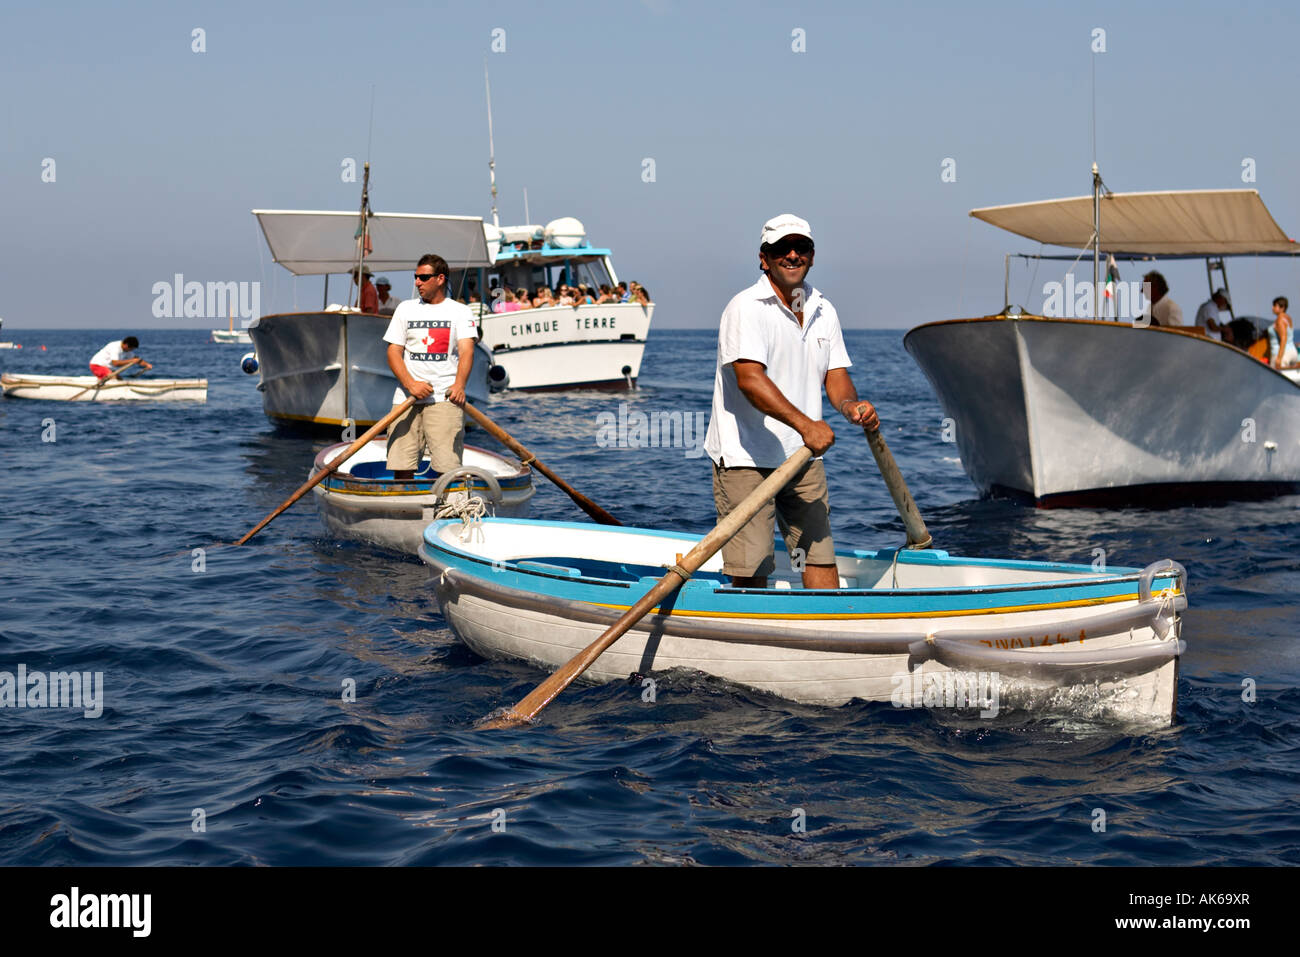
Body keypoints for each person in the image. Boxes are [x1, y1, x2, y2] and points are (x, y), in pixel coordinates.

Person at [703, 213, 878, 589]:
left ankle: (830, 632)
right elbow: (750, 381)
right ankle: (753, 639)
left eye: (802, 248)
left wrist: (850, 408)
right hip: (745, 458)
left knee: (818, 556)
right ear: (764, 258)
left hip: (802, 457)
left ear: (813, 256)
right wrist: (807, 426)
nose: (793, 255)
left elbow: (835, 375)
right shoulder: (745, 308)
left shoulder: (823, 309)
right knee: (751, 569)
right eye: (783, 249)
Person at [383, 254, 478, 481]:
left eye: (423, 277)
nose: (417, 282)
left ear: (440, 279)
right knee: (401, 463)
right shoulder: (405, 309)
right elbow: (393, 352)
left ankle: (448, 509)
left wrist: (459, 385)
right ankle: (404, 508)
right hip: (406, 398)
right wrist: (411, 385)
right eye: (416, 277)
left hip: (445, 398)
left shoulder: (460, 312)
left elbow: (467, 351)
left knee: (447, 466)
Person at [1267, 296, 1298, 369]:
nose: (1272, 308)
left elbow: (1284, 338)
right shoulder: (1287, 318)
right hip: (1293, 352)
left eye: (1275, 305)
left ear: (1282, 307)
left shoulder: (1280, 320)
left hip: (1282, 354)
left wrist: (1279, 358)